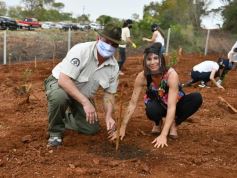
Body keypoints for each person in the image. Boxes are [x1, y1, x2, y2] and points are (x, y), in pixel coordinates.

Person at [111, 43, 203, 148]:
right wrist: (122, 127)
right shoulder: (142, 77)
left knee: (196, 98)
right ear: (145, 61)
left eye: (156, 58)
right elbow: (132, 104)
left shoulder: (171, 75)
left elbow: (171, 106)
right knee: (151, 108)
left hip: (174, 105)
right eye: (149, 59)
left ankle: (174, 123)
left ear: (161, 59)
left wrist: (163, 135)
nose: (152, 62)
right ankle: (157, 122)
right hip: (158, 104)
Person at [44, 23, 122, 147]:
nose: (109, 46)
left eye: (114, 44)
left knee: (91, 129)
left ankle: (63, 116)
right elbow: (64, 80)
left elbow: (109, 94)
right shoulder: (81, 50)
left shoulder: (114, 67)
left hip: (81, 94)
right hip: (59, 83)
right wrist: (86, 103)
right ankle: (55, 133)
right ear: (98, 39)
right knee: (59, 97)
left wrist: (108, 116)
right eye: (107, 42)